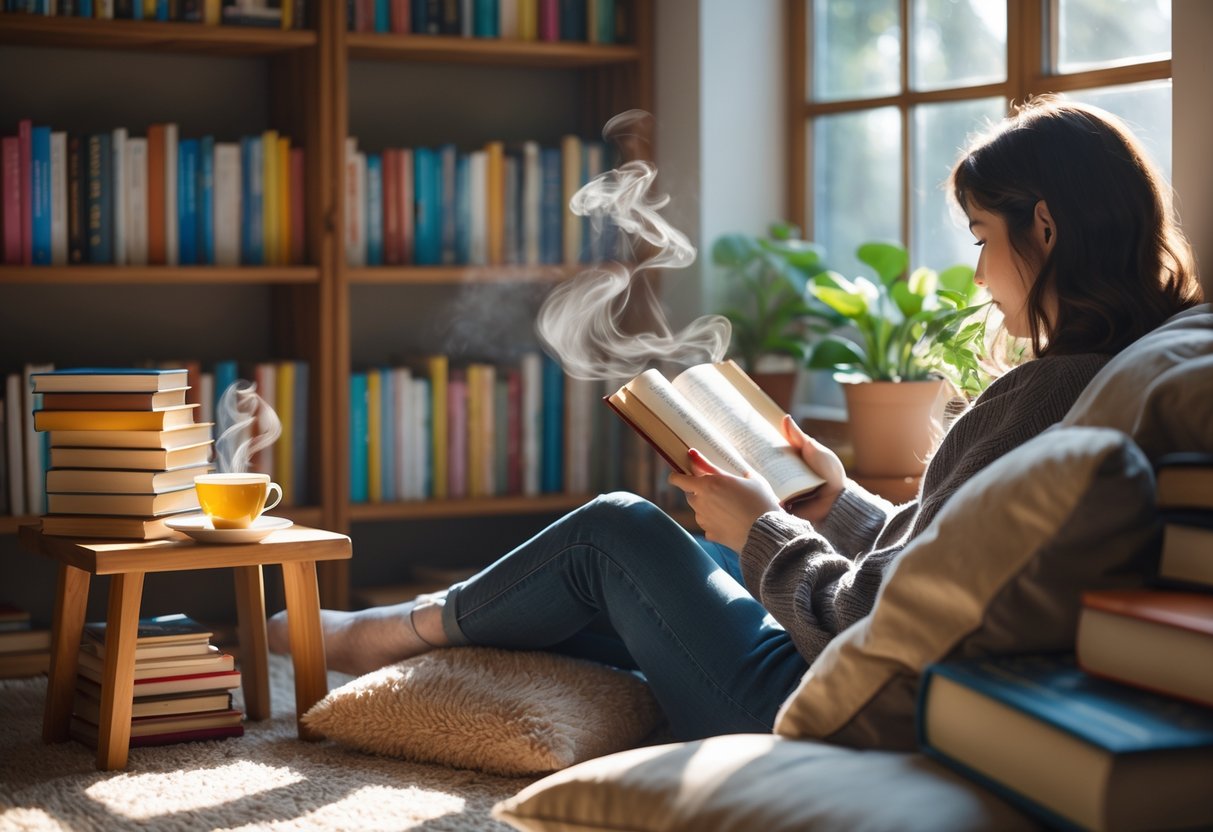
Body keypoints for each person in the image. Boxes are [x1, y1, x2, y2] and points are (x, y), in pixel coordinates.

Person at [268, 96, 1202, 741]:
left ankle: (381, 636)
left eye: (981, 241)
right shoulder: (1113, 370)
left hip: (822, 701)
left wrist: (761, 525)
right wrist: (832, 501)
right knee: (692, 564)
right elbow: (938, 573)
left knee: (615, 532)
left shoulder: (1048, 391)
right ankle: (422, 634)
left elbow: (860, 619)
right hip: (886, 672)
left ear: (1043, 228)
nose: (975, 274)